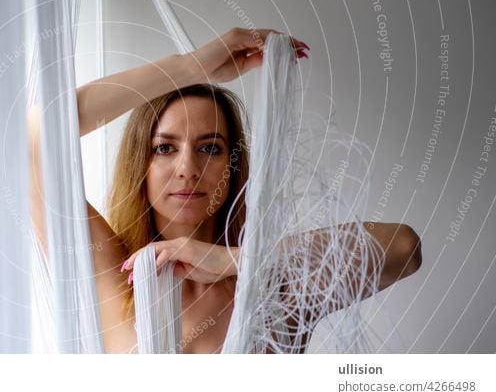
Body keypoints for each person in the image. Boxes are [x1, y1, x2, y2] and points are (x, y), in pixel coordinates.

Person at [29, 27, 422, 353]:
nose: (188, 169)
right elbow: (31, 137)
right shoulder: (111, 280)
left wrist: (237, 260)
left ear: (232, 169)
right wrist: (187, 67)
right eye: (165, 148)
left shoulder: (276, 285)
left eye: (209, 148)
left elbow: (404, 248)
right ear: (140, 167)